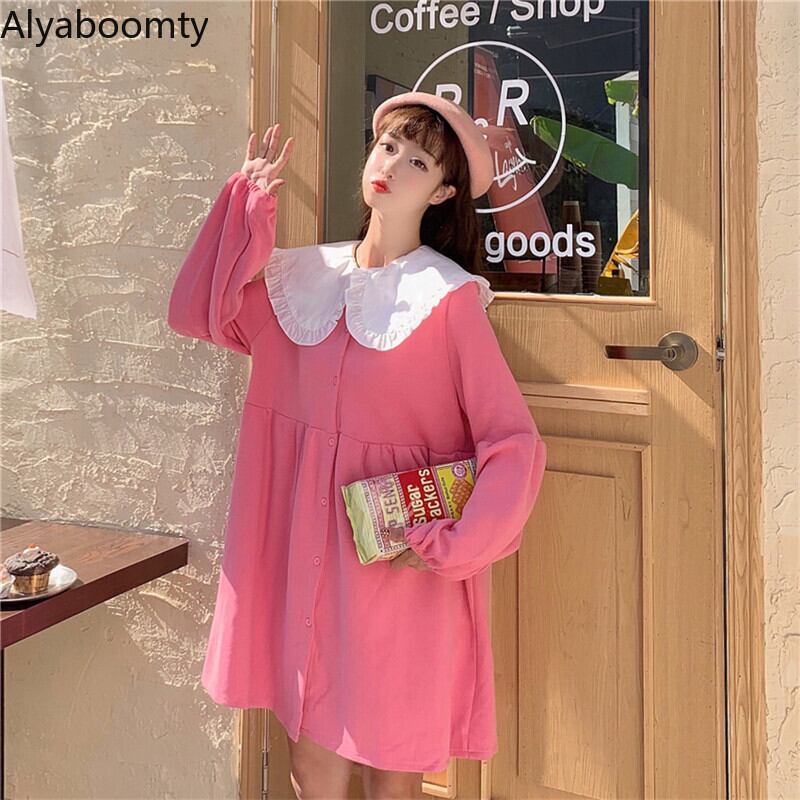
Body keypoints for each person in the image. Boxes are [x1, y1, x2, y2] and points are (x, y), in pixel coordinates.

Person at [167, 91, 547, 800]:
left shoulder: (447, 299)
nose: (392, 165)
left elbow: (513, 442)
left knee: (391, 777)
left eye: (418, 160)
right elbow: (198, 311)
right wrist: (245, 210)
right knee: (311, 767)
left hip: (394, 573)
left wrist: (456, 543)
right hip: (303, 562)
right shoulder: (299, 279)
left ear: (443, 192)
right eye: (388, 146)